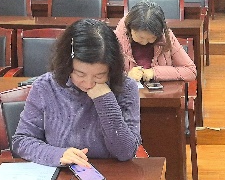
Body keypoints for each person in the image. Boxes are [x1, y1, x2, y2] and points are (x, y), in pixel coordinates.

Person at [13, 18, 140, 167]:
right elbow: (22, 140)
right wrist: (57, 154)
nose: (88, 83)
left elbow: (126, 152)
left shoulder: (126, 88)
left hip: (113, 174)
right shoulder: (45, 86)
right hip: (61, 173)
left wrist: (105, 100)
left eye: (99, 75)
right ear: (67, 65)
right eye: (80, 74)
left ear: (112, 69)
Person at [115, 0, 197, 84]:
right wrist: (126, 77)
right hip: (128, 91)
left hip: (161, 91)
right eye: (140, 37)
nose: (144, 42)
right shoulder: (117, 39)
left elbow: (190, 71)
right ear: (129, 28)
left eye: (151, 38)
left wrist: (155, 72)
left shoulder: (166, 36)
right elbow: (108, 76)